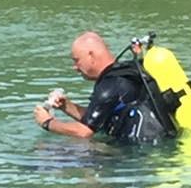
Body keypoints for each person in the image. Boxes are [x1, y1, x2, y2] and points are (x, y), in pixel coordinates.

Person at [33, 31, 175, 143]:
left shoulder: (109, 86)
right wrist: (67, 106)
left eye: (77, 60)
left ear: (91, 56)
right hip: (157, 140)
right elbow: (97, 118)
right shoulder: (128, 72)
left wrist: (48, 123)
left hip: (137, 155)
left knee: (48, 157)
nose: (75, 67)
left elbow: (84, 132)